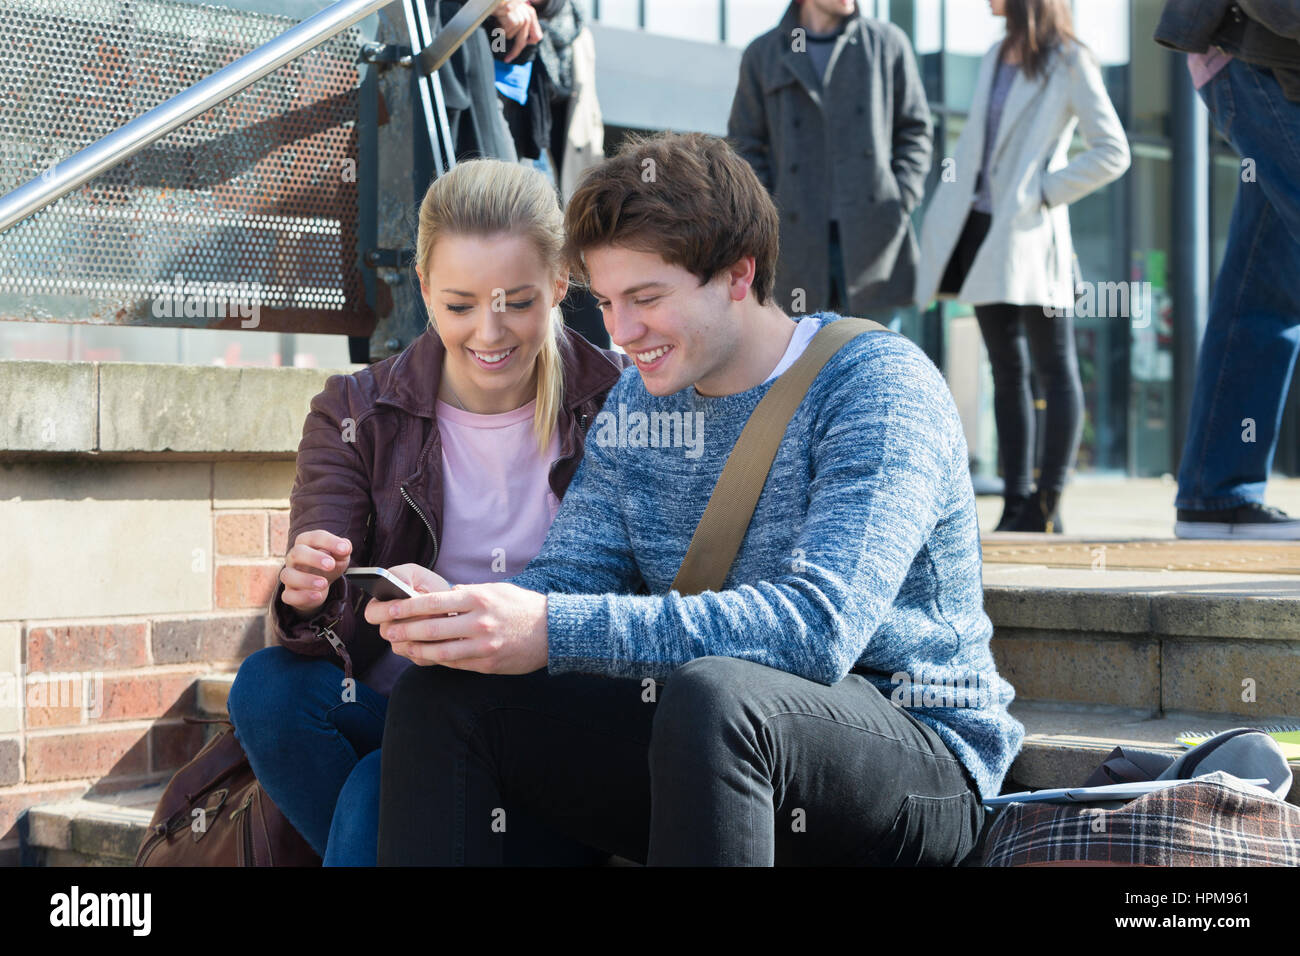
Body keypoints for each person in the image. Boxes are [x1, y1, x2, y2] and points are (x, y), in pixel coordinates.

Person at [373, 131, 1024, 867]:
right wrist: (473, 614)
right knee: (448, 697)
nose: (622, 334)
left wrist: (553, 629)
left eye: (647, 299)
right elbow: (571, 578)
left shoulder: (875, 386)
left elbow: (819, 628)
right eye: (608, 302)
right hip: (708, 741)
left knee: (713, 698)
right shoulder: (636, 404)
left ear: (739, 275)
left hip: (914, 755)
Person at [225, 158, 630, 866]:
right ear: (423, 290)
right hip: (400, 703)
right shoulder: (355, 410)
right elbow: (319, 605)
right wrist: (309, 592)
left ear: (561, 284)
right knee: (268, 691)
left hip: (548, 717)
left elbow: (648, 590)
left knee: (379, 791)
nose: (490, 332)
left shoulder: (620, 403)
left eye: (517, 301)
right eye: (461, 304)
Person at [915, 0, 1129, 533]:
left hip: (1033, 235)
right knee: (1005, 371)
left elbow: (1113, 150)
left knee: (1055, 368)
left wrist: (1045, 192)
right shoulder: (994, 53)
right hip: (981, 231)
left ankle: (1048, 500)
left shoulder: (1070, 59)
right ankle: (1015, 503)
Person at [1156, 1, 1300, 539]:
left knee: (1264, 295)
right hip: (1248, 56)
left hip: (1274, 66)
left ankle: (1216, 494)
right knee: (1266, 294)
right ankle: (1217, 491)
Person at [727, 0, 931, 329]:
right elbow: (745, 146)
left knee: (877, 365)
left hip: (875, 242)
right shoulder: (763, 53)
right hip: (793, 246)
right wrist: (770, 212)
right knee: (802, 371)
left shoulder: (886, 44)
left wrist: (900, 199)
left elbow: (916, 131)